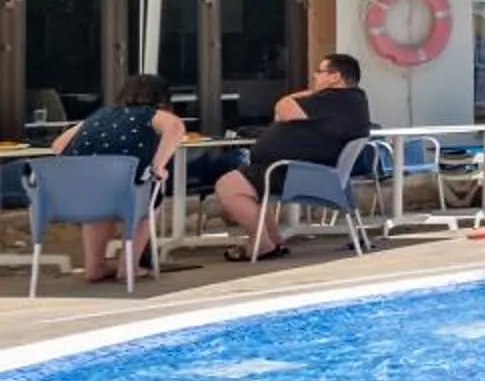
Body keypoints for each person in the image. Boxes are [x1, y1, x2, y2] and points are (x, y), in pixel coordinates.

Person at [212, 53, 372, 261]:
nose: (315, 76)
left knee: (228, 186)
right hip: (301, 170)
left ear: (335, 77)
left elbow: (283, 110)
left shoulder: (336, 99)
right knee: (247, 188)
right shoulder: (349, 101)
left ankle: (262, 245)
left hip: (299, 172)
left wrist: (301, 95)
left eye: (320, 72)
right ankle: (272, 242)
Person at [49, 73, 185, 282]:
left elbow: (58, 146)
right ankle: (128, 266)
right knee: (148, 201)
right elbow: (176, 127)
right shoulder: (152, 114)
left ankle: (95, 266)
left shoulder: (100, 115)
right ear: (162, 98)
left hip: (78, 194)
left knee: (99, 203)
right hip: (125, 191)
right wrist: (159, 164)